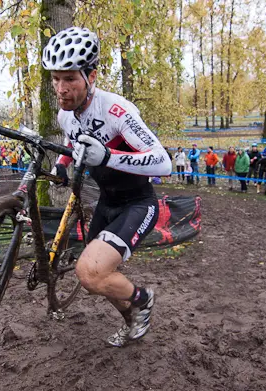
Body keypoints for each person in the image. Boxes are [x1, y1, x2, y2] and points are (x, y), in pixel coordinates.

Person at [43, 27, 172, 347]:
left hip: (138, 204)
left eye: (70, 78)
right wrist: (61, 166)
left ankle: (143, 299)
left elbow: (163, 163)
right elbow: (75, 145)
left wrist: (110, 156)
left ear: (91, 76)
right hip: (107, 201)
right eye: (55, 79)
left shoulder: (117, 110)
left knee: (90, 272)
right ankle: (132, 320)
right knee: (93, 280)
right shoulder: (65, 115)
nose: (61, 88)